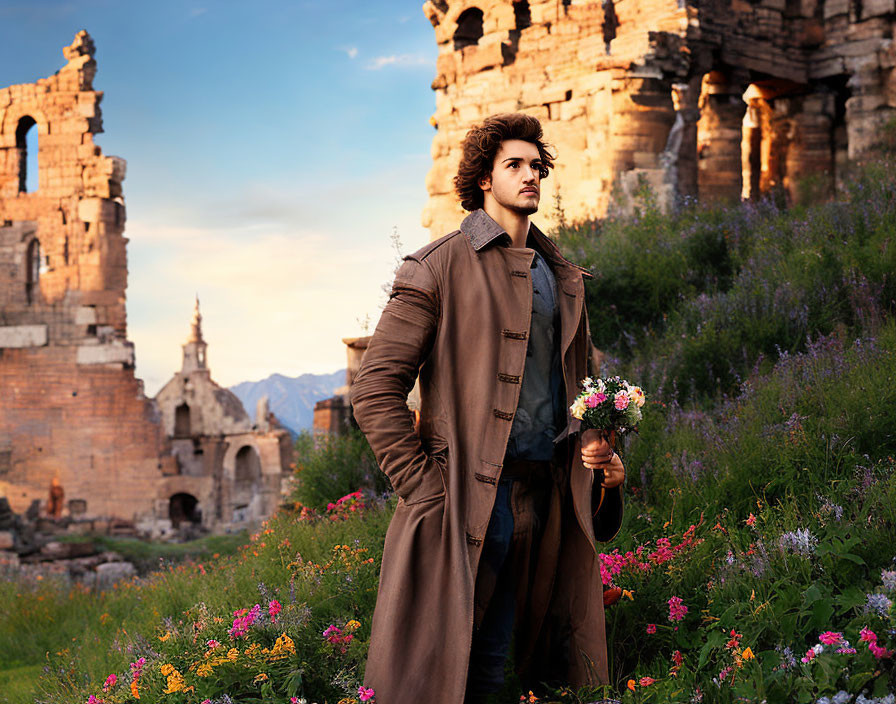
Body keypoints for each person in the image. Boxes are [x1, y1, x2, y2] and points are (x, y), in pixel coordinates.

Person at [351, 113, 625, 704]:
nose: (530, 176)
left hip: (547, 498)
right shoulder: (436, 266)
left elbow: (581, 390)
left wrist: (602, 456)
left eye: (536, 166)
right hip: (466, 501)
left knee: (523, 666)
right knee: (457, 669)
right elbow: (374, 388)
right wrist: (425, 490)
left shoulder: (563, 276)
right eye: (514, 165)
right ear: (483, 178)